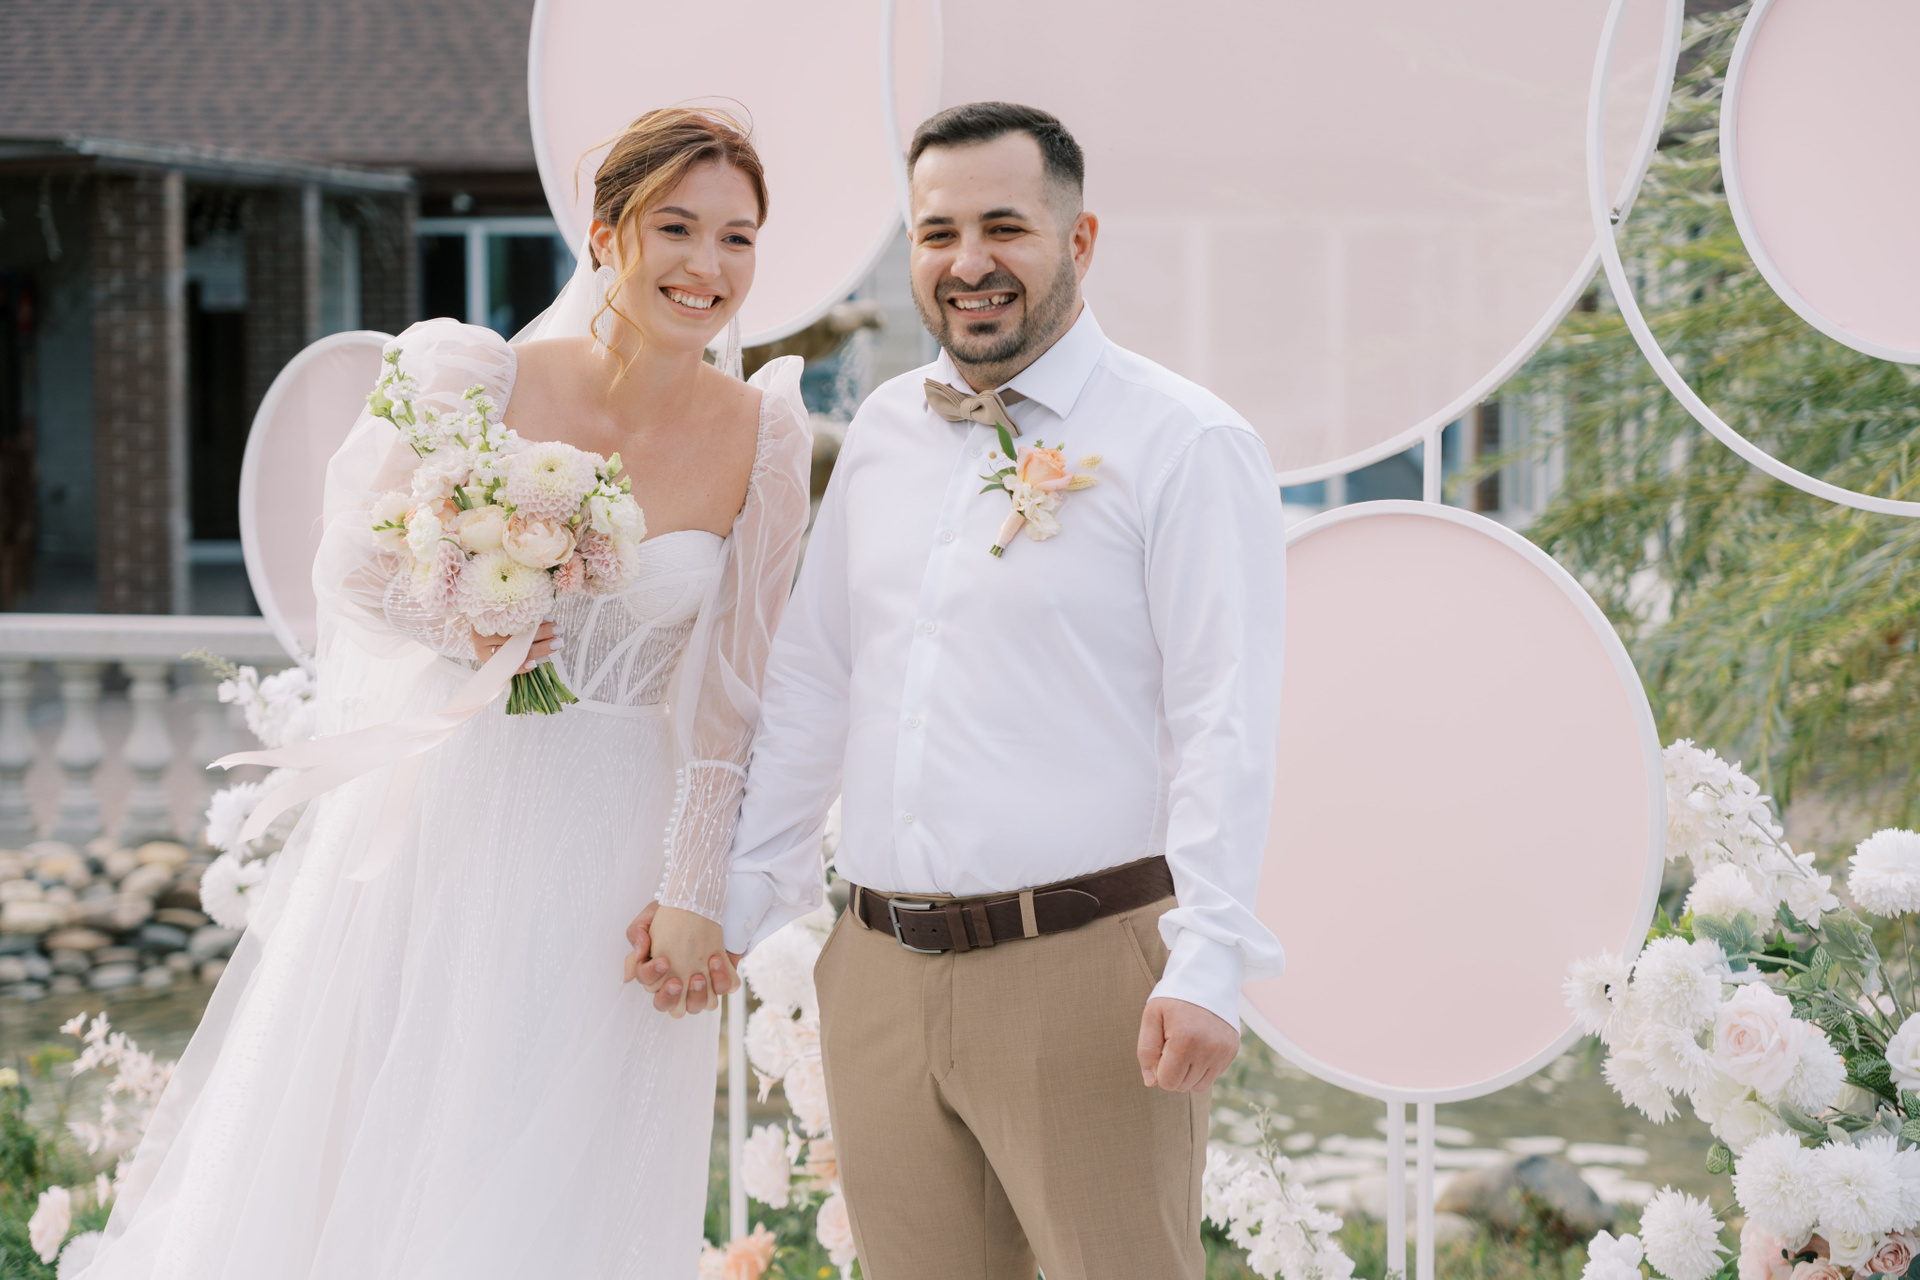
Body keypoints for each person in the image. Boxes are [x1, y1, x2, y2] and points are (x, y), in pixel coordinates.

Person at [79, 108, 810, 1280]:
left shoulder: (765, 434)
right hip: (460, 809)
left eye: (738, 237)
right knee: (412, 1131)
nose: (707, 266)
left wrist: (693, 889)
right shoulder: (477, 377)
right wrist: (464, 615)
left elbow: (738, 687)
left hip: (622, 836)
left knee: (570, 1170)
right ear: (605, 233)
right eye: (676, 227)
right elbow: (352, 565)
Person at [637, 101, 1289, 1279]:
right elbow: (816, 682)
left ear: (1080, 239)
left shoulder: (1185, 441)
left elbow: (1224, 719)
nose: (968, 261)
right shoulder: (884, 429)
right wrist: (739, 893)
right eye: (938, 232)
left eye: (1005, 227)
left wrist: (1210, 958)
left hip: (1084, 970)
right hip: (878, 970)